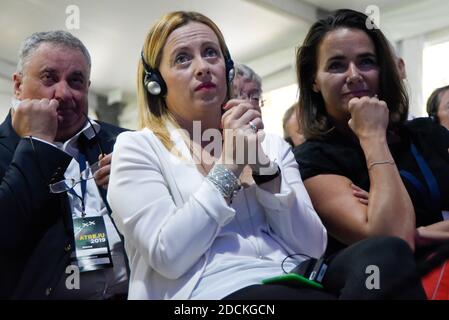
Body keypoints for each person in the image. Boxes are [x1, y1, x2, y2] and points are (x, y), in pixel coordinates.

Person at [108, 11, 426, 300]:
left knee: (385, 255)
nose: (203, 67)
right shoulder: (137, 148)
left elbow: (312, 245)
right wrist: (228, 167)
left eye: (211, 54)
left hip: (293, 280)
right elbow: (168, 255)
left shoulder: (271, 144)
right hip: (208, 295)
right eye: (182, 59)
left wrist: (265, 171)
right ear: (155, 83)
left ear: (227, 66)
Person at [293, 9, 449, 260]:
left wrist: (419, 232)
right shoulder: (311, 160)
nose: (354, 75)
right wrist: (373, 136)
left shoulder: (426, 133)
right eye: (336, 65)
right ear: (314, 80)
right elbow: (391, 242)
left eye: (366, 61)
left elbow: (399, 233)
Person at [0, 31, 128, 299]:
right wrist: (38, 144)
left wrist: (136, 178)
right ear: (18, 85)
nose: (63, 92)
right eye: (49, 77)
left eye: (76, 81)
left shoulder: (123, 143)